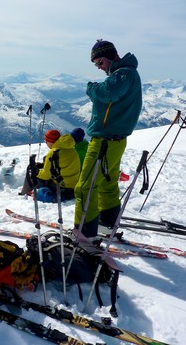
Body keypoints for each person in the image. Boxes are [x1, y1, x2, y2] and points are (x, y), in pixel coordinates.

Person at [74, 40, 142, 238]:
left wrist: (91, 88)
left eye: (100, 63)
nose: (100, 68)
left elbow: (107, 93)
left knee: (85, 186)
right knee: (107, 182)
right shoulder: (127, 73)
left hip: (104, 141)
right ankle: (107, 223)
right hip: (116, 140)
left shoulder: (123, 74)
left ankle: (84, 234)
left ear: (109, 56)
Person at [20, 130, 80, 202]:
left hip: (61, 185)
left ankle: (24, 194)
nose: (46, 143)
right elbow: (61, 165)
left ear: (50, 141)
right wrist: (43, 165)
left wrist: (36, 171)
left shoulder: (53, 152)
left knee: (31, 173)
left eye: (46, 141)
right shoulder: (72, 150)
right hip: (74, 184)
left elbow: (46, 175)